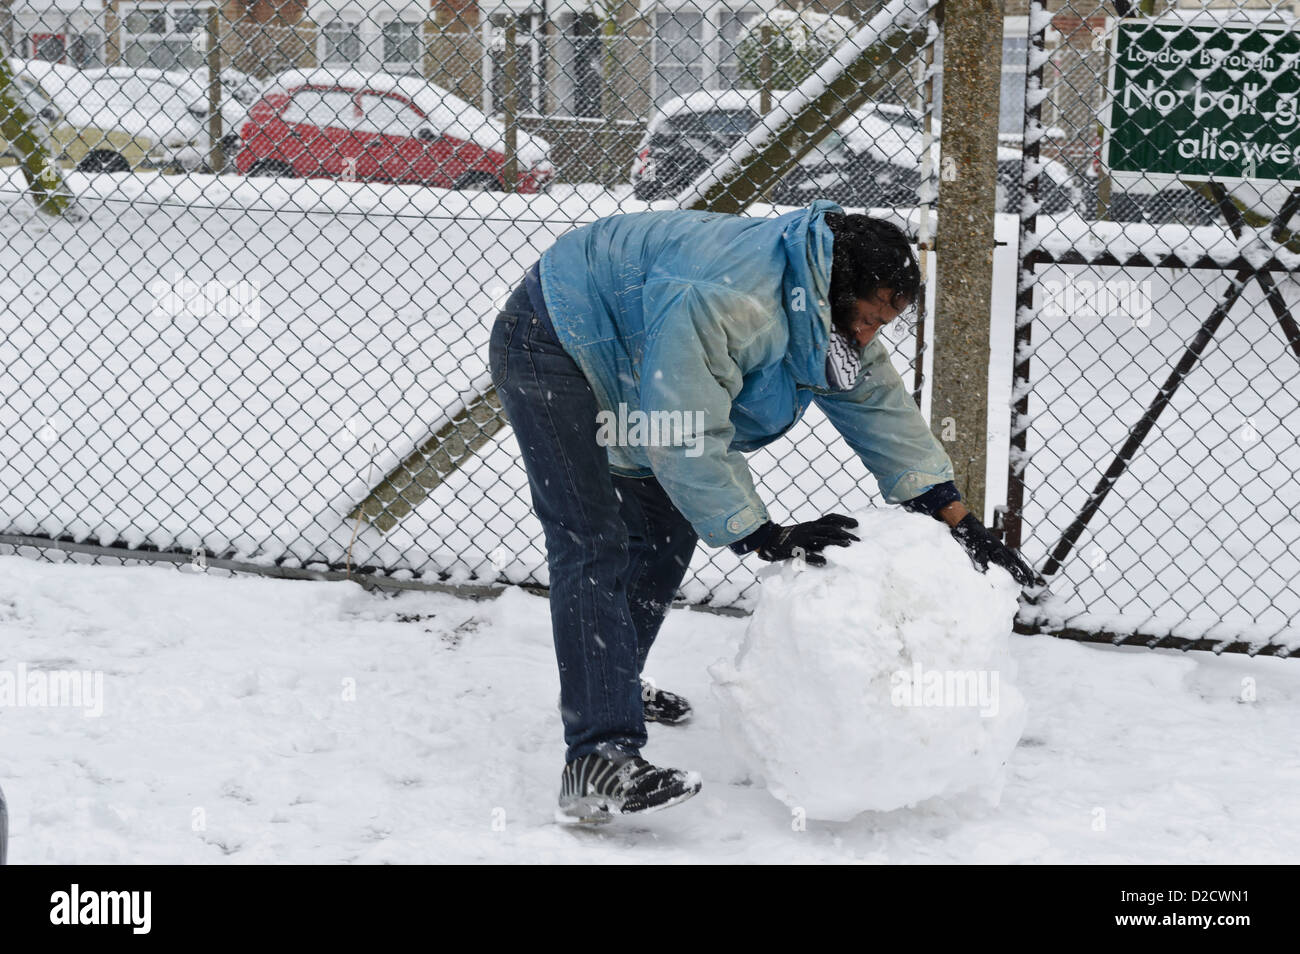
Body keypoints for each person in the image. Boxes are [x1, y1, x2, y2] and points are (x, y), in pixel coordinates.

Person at [488, 200, 1034, 824]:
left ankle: (608, 679)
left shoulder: (825, 303)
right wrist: (760, 534)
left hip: (641, 351)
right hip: (556, 339)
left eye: (882, 325)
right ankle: (597, 756)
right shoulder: (725, 298)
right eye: (864, 318)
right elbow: (684, 428)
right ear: (834, 292)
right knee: (591, 541)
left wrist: (955, 517)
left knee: (665, 534)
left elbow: (880, 407)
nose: (867, 335)